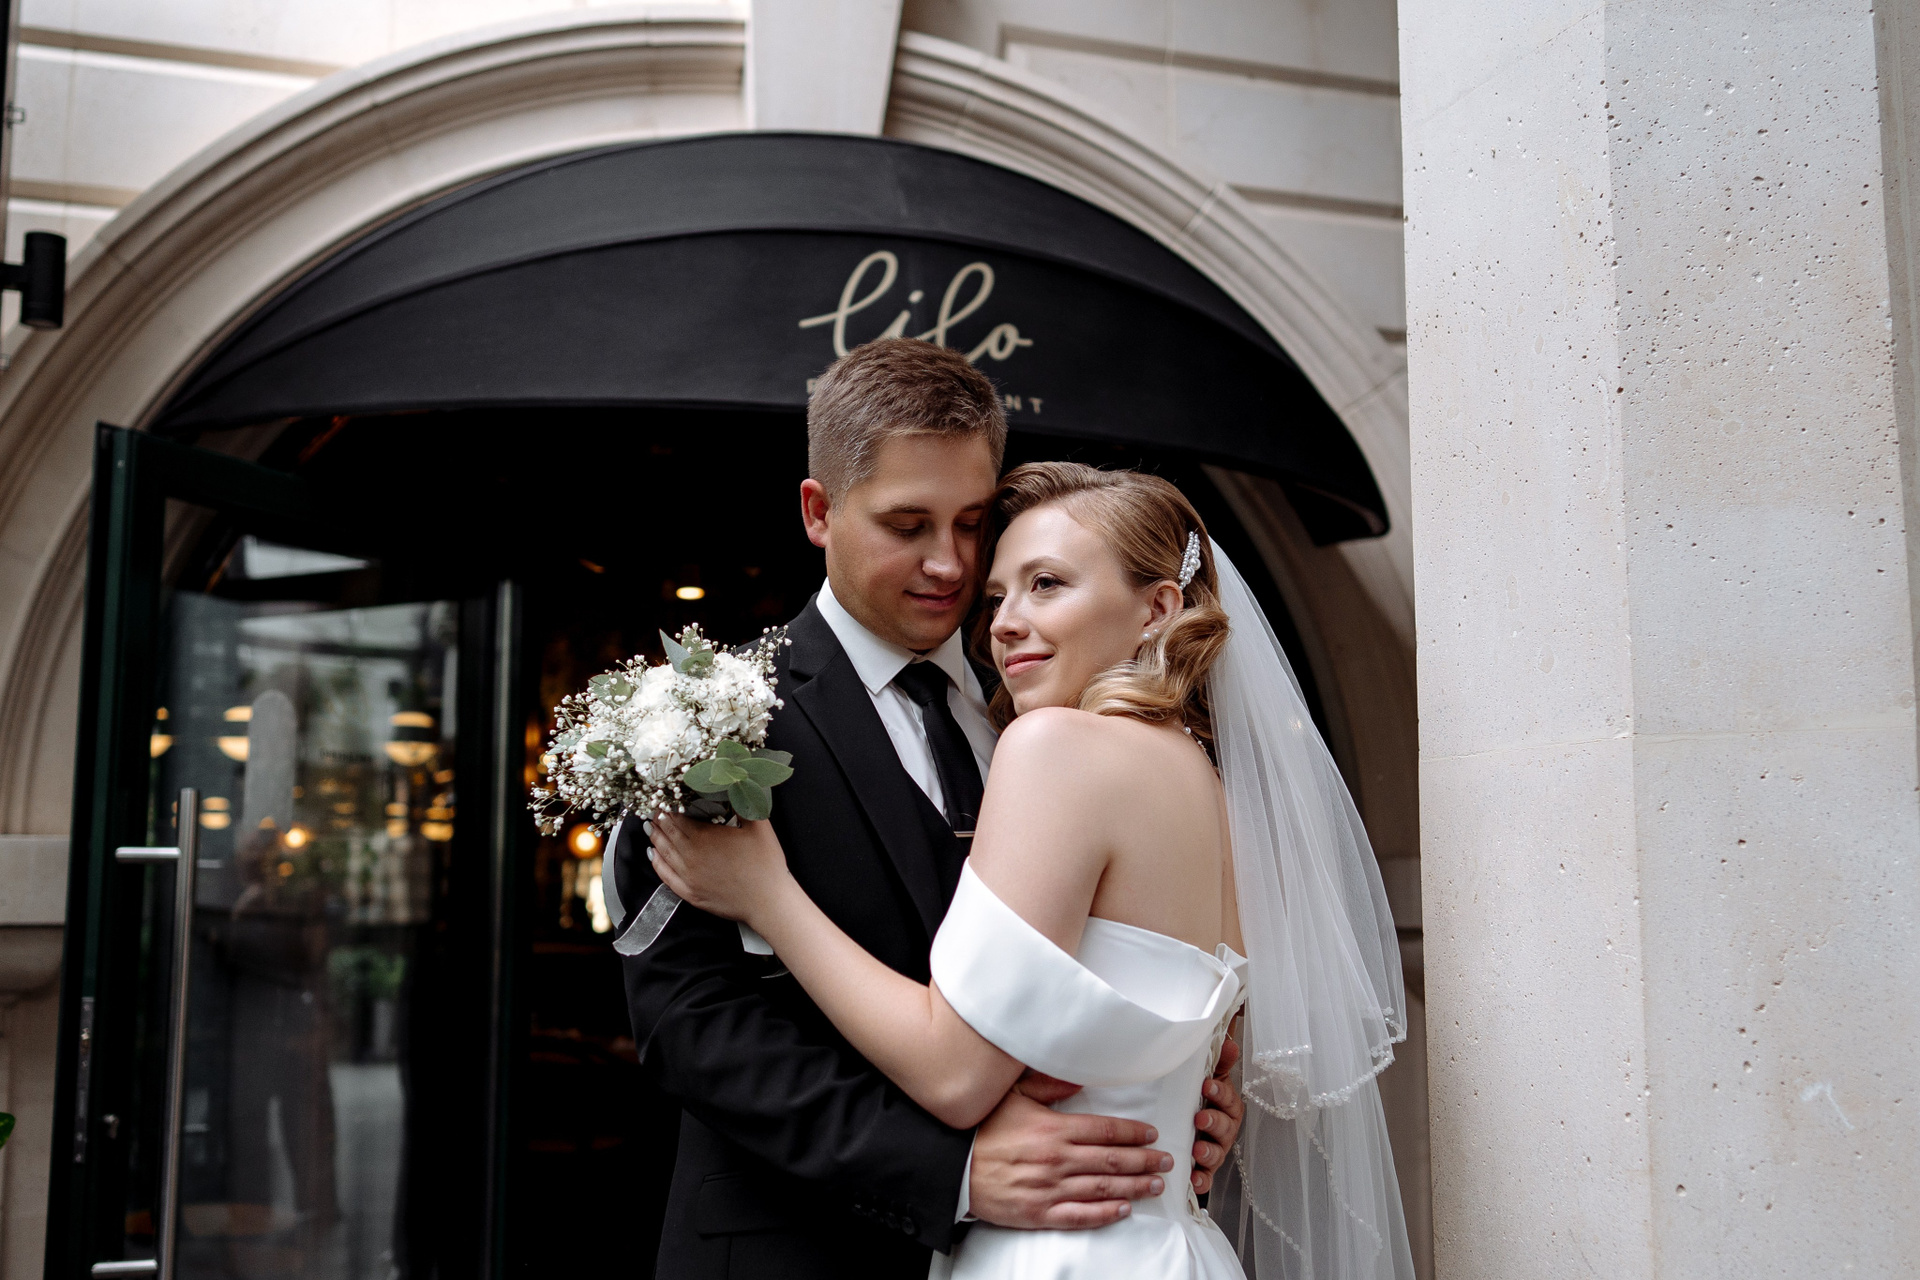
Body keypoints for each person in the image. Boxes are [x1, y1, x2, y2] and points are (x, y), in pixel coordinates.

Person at [649, 461, 1418, 1280]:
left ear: (1158, 609)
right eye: (998, 597)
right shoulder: (1223, 794)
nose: (1005, 624)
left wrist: (767, 895)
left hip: (1059, 1251)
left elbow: (954, 1074)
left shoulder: (1052, 746)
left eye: (1046, 584)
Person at [611, 340, 1245, 1280]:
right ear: (818, 512)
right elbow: (693, 1024)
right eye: (908, 525)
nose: (949, 564)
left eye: (973, 523)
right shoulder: (707, 720)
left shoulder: (1045, 702)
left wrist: (1181, 1096)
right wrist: (952, 1173)